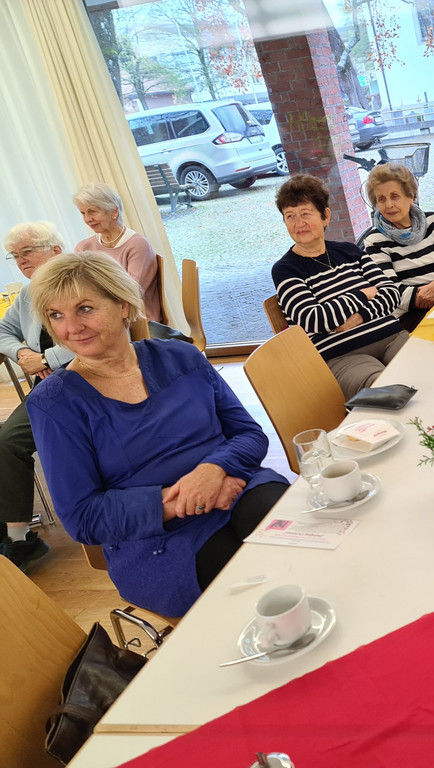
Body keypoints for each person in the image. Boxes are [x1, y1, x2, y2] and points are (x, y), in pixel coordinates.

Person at [27, 252, 288, 617]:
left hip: (235, 486)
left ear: (123, 305)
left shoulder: (182, 357)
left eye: (85, 308)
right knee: (255, 590)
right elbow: (82, 517)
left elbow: (248, 434)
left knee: (304, 540)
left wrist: (214, 470)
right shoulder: (54, 403)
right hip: (157, 540)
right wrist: (180, 500)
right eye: (56, 315)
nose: (71, 327)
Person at [272, 174, 408, 396]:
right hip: (343, 356)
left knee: (429, 367)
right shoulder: (285, 269)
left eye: (305, 213)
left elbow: (392, 293)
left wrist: (360, 316)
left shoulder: (349, 251)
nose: (299, 223)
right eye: (290, 216)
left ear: (325, 216)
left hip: (391, 337)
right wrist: (363, 294)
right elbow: (314, 319)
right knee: (387, 391)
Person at [0, 222, 74, 569]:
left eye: (27, 252)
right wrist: (22, 353)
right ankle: (14, 535)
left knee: (11, 442)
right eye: (14, 256)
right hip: (48, 387)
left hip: (86, 380)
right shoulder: (31, 290)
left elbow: (105, 331)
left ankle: (20, 540)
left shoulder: (80, 280)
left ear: (55, 250)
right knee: (5, 441)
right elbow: (3, 329)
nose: (21, 261)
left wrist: (47, 359)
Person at [362, 162, 434, 331]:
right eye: (381, 199)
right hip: (413, 315)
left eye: (395, 196)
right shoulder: (374, 240)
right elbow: (392, 291)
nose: (389, 205)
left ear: (411, 197)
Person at [74, 182, 163, 323]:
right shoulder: (83, 247)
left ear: (114, 212)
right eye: (83, 213)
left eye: (92, 212)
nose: (87, 219)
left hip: (139, 321)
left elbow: (131, 292)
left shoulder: (138, 244)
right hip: (99, 320)